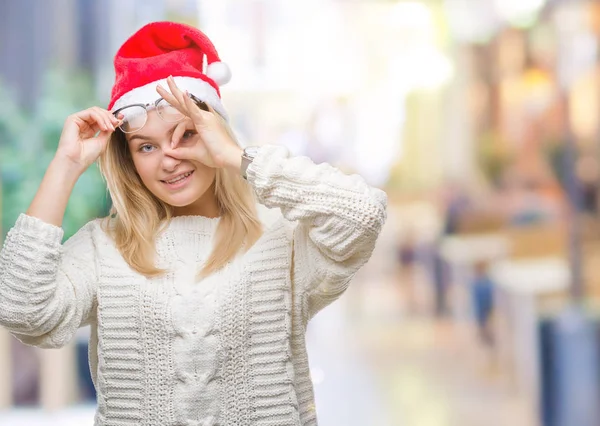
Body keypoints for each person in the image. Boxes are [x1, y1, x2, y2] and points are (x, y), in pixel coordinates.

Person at [0, 21, 387, 426]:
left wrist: (237, 157)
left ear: (214, 130)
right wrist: (65, 166)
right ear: (129, 158)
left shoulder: (278, 237)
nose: (168, 158)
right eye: (146, 146)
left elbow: (360, 214)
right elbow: (24, 310)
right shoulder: (105, 246)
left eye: (185, 135)